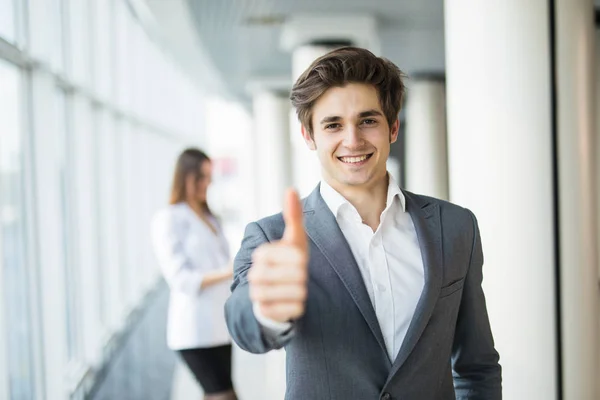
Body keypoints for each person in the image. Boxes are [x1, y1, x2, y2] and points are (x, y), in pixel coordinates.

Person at [225, 47, 501, 399]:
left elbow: (477, 365)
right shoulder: (273, 237)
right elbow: (242, 323)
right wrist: (266, 309)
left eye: (368, 120)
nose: (352, 140)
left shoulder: (456, 227)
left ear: (394, 127)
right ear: (309, 136)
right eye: (333, 125)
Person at [152, 148, 238, 400]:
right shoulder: (168, 219)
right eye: (202, 177)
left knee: (214, 394)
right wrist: (226, 272)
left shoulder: (210, 216)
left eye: (210, 177)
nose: (208, 183)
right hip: (193, 331)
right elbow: (181, 280)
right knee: (224, 395)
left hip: (219, 327)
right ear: (187, 178)